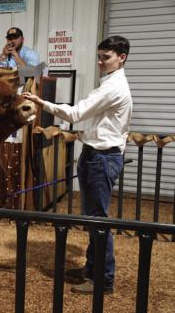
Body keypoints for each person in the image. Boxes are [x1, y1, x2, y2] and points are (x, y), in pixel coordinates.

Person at [22, 36, 132, 294]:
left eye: (106, 57)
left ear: (122, 57)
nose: (100, 62)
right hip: (98, 155)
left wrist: (41, 102)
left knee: (97, 221)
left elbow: (74, 114)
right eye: (99, 56)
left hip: (101, 157)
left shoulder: (113, 88)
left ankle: (102, 281)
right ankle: (92, 269)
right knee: (92, 219)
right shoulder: (109, 84)